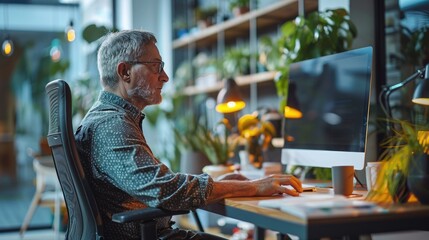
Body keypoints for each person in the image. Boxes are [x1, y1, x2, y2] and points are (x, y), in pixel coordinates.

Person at [74, 30, 303, 240]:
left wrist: (217, 185)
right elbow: (163, 190)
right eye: (156, 67)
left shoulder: (111, 118)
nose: (165, 77)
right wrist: (253, 186)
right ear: (125, 72)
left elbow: (156, 183)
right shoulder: (111, 125)